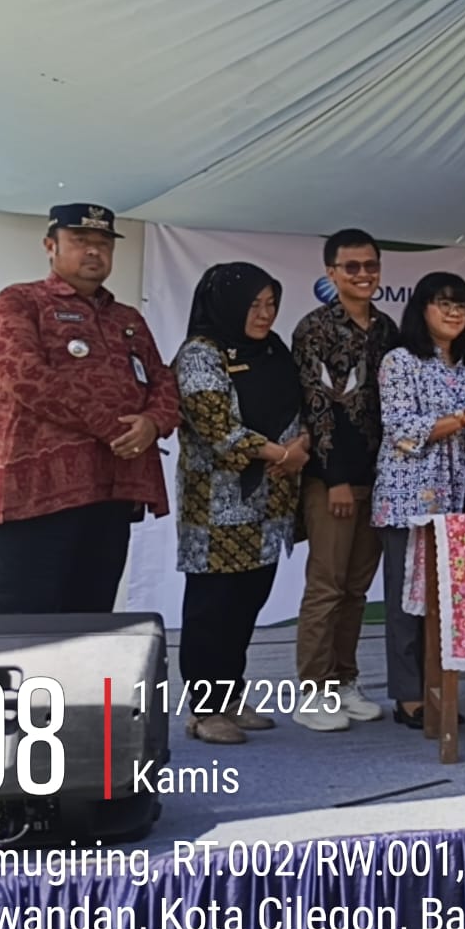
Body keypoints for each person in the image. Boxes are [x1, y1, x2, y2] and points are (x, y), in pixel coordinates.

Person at [0, 204, 180, 614]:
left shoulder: (127, 319)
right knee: (21, 626)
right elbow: (26, 377)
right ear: (50, 246)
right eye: (80, 241)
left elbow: (162, 379)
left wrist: (153, 423)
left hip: (113, 490)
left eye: (103, 243)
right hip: (38, 494)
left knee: (91, 622)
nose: (93, 251)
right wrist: (112, 427)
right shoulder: (19, 302)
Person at [172, 264, 310, 744]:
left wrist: (301, 444)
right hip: (217, 509)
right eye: (253, 304)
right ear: (227, 305)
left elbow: (300, 406)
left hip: (269, 505)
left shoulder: (272, 349)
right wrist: (283, 455)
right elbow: (216, 427)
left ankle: (230, 696)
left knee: (247, 604)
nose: (264, 314)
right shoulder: (200, 354)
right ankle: (203, 710)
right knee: (212, 609)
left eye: (271, 304)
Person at [371, 273, 465, 730]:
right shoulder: (399, 361)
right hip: (411, 500)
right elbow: (402, 430)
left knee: (447, 604)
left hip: (462, 503)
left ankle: (440, 689)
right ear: (421, 308)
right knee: (407, 603)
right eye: (444, 304)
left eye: (461, 305)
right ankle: (409, 696)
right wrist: (463, 416)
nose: (454, 313)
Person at [290, 228, 401, 732]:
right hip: (331, 479)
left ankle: (344, 680)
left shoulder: (387, 329)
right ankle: (312, 690)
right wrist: (334, 477)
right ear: (331, 273)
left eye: (370, 265)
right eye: (351, 267)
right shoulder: (314, 328)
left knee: (357, 589)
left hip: (380, 478)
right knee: (327, 587)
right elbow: (315, 406)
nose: (363, 274)